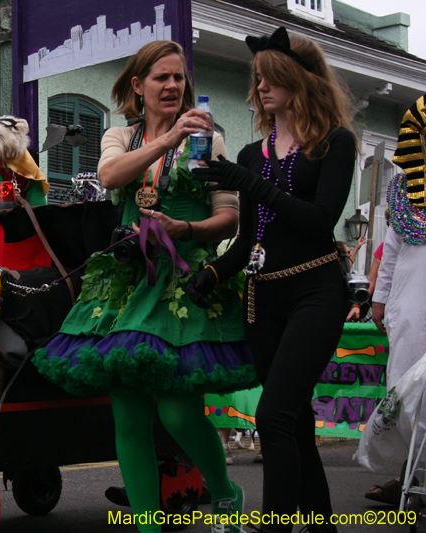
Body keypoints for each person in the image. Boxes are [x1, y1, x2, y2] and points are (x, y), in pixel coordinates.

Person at [34, 40, 255, 533]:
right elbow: (110, 177)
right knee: (129, 417)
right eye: (161, 78)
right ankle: (148, 527)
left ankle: (225, 494)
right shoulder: (121, 135)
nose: (173, 86)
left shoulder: (209, 139)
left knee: (178, 413)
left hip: (186, 280)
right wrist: (168, 137)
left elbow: (229, 218)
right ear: (139, 86)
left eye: (179, 78)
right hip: (129, 279)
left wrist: (187, 230)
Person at [188, 27, 357, 532]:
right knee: (297, 424)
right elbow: (248, 241)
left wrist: (249, 182)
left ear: (297, 80)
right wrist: (213, 273)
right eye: (256, 79)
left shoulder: (335, 142)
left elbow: (320, 219)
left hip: (316, 290)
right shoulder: (249, 154)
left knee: (274, 416)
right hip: (263, 299)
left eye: (270, 78)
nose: (260, 88)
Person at [364, 98, 426, 505]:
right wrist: (380, 300)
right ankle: (410, 478)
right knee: (405, 392)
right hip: (410, 306)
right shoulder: (404, 190)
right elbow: (389, 252)